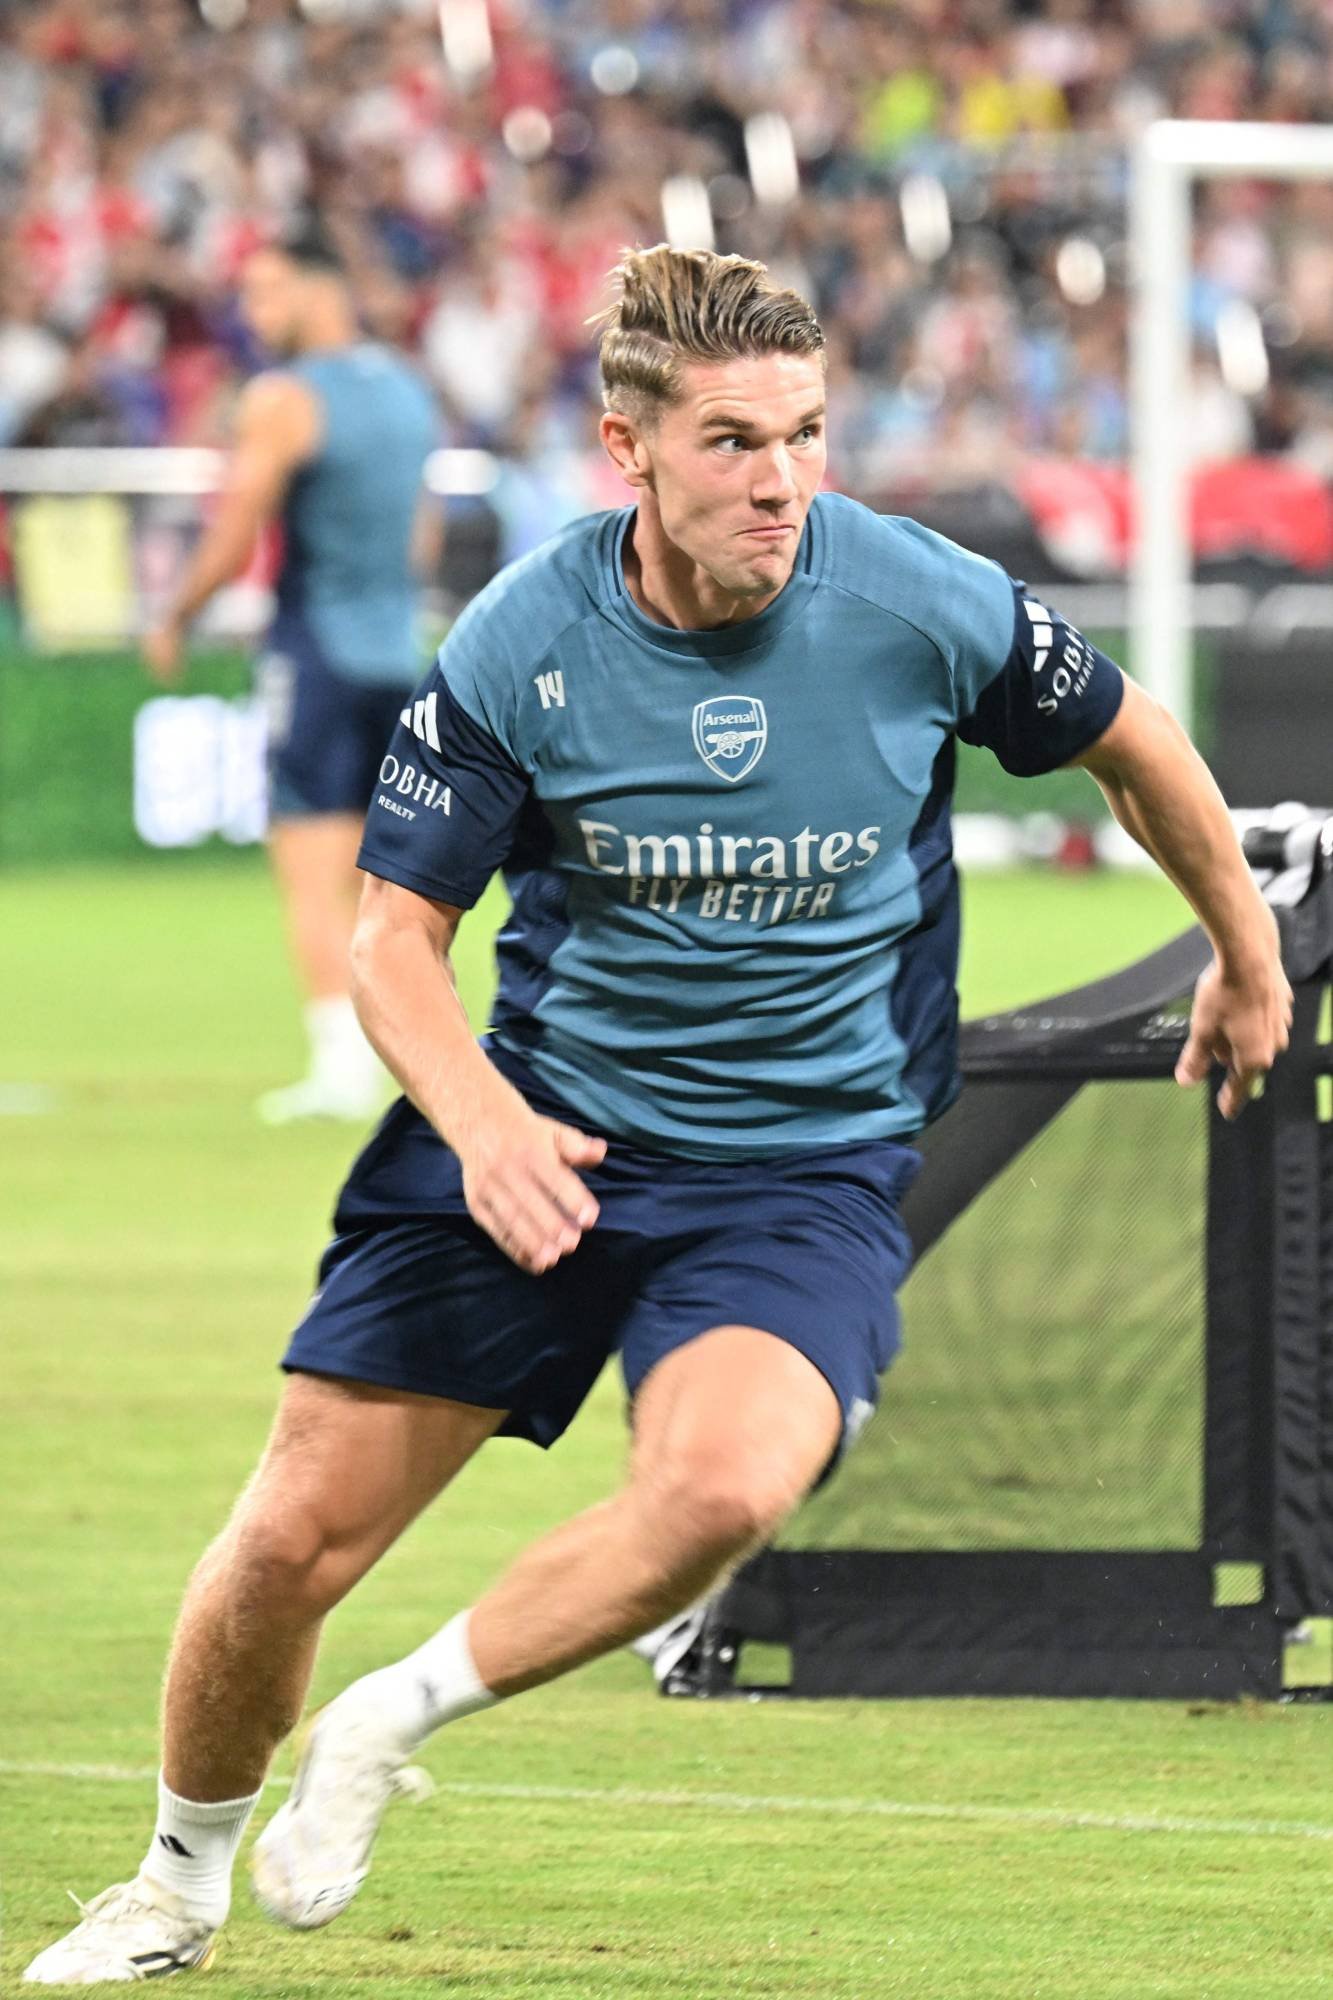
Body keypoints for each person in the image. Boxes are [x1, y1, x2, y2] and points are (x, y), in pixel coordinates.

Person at [25, 246, 1292, 1985]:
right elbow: (394, 941)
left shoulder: (919, 597)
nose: (780, 479)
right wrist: (482, 1125)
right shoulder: (523, 637)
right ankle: (174, 1883)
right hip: (537, 1134)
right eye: (730, 442)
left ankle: (386, 1723)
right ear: (626, 448)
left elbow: (1135, 743)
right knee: (290, 1539)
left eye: (805, 433)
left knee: (724, 1488)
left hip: (800, 1169)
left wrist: (1242, 955)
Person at [141, 226, 442, 1124]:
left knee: (310, 868)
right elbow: (422, 531)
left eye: (267, 292)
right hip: (400, 654)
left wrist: (175, 616)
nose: (252, 312)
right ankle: (421, 1060)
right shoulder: (407, 390)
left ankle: (340, 1069)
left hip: (316, 653)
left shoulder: (283, 397)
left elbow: (238, 530)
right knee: (395, 882)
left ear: (320, 289)